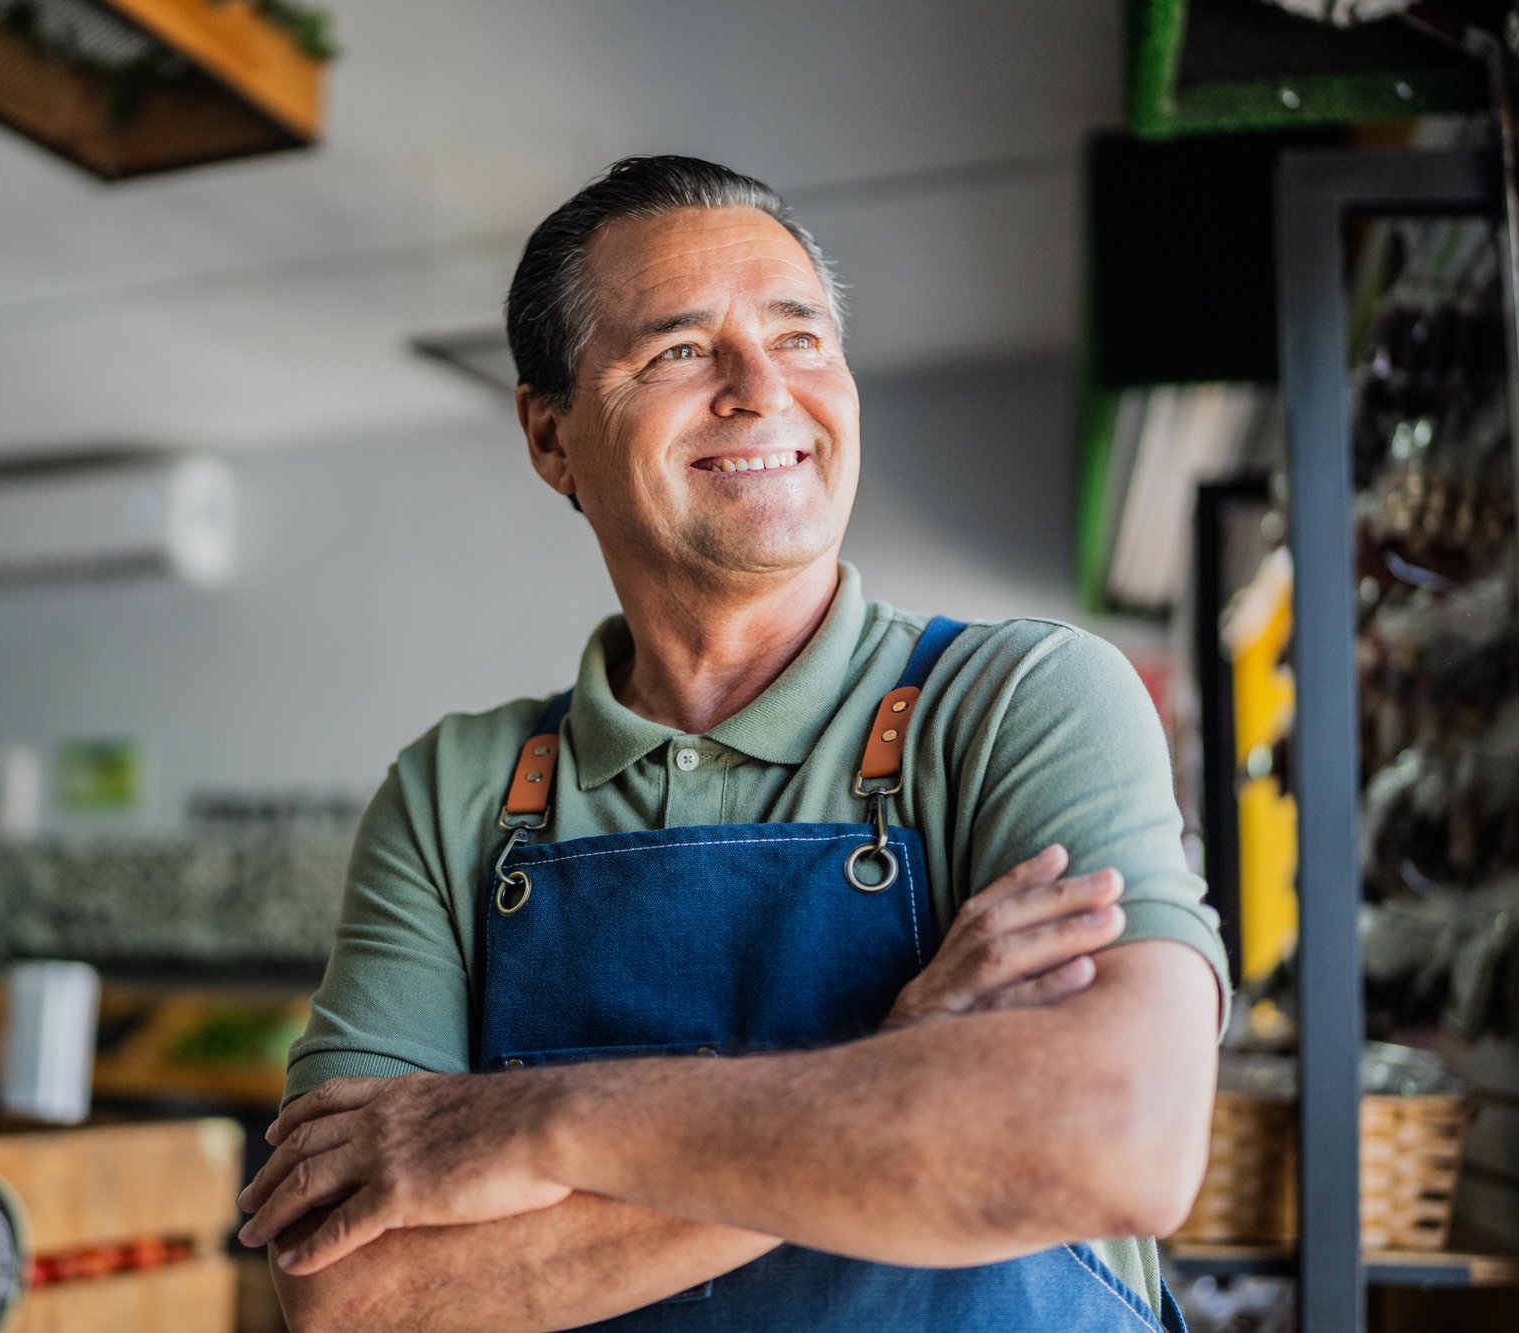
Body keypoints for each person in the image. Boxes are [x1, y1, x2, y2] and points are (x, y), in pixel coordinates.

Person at [237, 155, 1227, 1333]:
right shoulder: (458, 793)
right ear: (551, 437)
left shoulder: (1020, 702)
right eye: (678, 349)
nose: (761, 386)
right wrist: (900, 1065)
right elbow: (353, 1292)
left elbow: (1111, 1142)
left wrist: (535, 1124)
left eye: (801, 338)